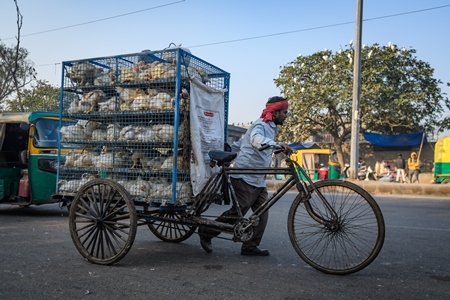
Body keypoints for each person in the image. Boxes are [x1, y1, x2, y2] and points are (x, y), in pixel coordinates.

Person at [199, 96, 291, 256]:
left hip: (258, 178)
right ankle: (206, 232)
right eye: (284, 112)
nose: (286, 115)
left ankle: (250, 246)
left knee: (262, 213)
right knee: (238, 213)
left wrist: (279, 148)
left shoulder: (271, 128)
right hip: (245, 176)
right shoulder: (260, 125)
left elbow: (249, 145)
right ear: (274, 113)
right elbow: (256, 141)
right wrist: (277, 145)